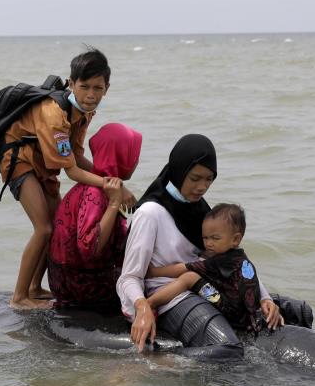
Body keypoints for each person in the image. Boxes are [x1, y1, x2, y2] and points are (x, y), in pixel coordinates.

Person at [117, 134, 284, 359]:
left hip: (205, 286)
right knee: (229, 349)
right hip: (170, 299)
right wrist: (143, 307)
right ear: (179, 170)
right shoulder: (150, 213)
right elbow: (128, 277)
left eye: (209, 180)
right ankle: (166, 362)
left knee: (296, 310)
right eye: (195, 178)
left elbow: (231, 261)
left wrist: (264, 298)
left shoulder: (201, 211)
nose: (202, 187)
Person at [0, 48, 136, 310]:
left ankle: (34, 287)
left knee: (56, 225)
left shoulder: (85, 112)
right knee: (44, 227)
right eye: (84, 87)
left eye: (98, 87)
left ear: (107, 88)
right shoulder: (54, 114)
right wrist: (113, 188)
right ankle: (19, 298)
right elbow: (72, 171)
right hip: (19, 161)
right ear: (71, 84)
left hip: (45, 166)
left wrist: (110, 179)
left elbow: (76, 156)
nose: (91, 95)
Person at [139, 203, 277, 335]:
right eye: (205, 238)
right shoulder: (240, 258)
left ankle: (150, 303)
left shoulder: (220, 261)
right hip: (246, 312)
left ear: (235, 239)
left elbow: (185, 268)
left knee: (190, 277)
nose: (208, 243)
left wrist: (154, 272)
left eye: (215, 238)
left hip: (231, 313)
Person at [48, 123, 141, 309]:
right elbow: (90, 249)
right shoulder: (96, 194)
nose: (136, 160)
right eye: (134, 154)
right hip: (81, 286)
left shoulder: (97, 183)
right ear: (122, 156)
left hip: (69, 279)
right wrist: (114, 204)